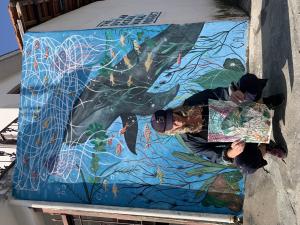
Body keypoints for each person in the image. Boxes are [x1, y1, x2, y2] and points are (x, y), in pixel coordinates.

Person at [151, 73, 286, 174]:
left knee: (248, 81)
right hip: (243, 138)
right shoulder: (191, 141)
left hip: (244, 110)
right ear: (170, 131)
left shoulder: (191, 103)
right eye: (171, 125)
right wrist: (231, 153)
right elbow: (215, 156)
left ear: (171, 111)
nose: (175, 121)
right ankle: (265, 147)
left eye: (171, 117)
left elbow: (218, 93)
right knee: (245, 165)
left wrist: (233, 94)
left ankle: (264, 104)